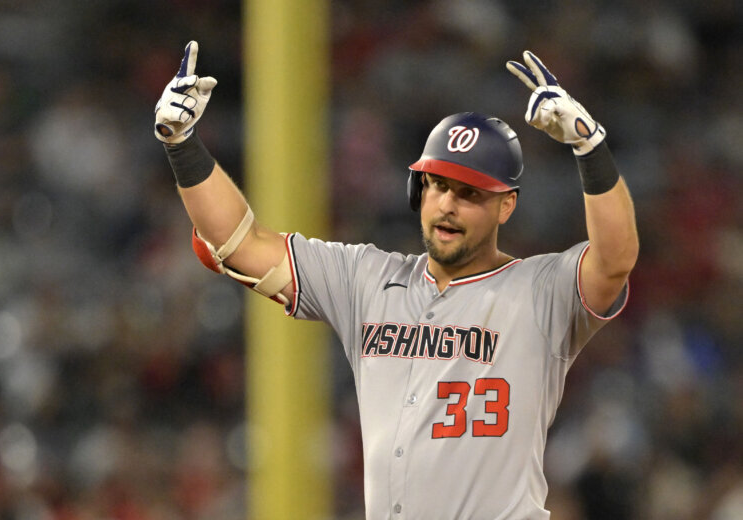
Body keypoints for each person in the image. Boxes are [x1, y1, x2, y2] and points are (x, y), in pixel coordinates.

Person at [154, 42, 638, 519]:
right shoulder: (366, 279)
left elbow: (614, 261)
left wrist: (589, 147)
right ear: (417, 190)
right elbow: (238, 242)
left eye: (470, 193)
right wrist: (182, 144)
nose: (447, 204)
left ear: (505, 206)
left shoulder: (540, 291)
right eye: (438, 184)